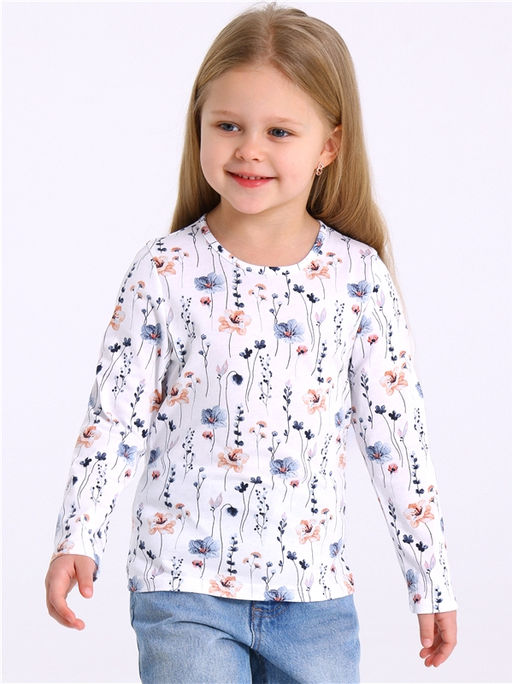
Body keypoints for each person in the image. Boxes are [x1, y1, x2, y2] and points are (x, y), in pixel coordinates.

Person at [45, 3, 458, 682]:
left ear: (329, 146)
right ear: (199, 128)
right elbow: (114, 418)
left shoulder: (357, 277)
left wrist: (431, 580)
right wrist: (77, 536)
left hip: (315, 597)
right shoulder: (164, 270)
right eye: (229, 125)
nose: (249, 149)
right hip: (182, 586)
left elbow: (397, 440)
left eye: (280, 131)